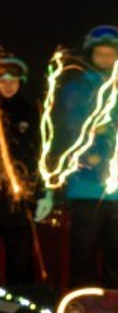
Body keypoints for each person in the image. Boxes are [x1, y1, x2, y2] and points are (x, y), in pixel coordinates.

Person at [47, 24, 118, 290]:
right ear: (91, 54)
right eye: (100, 54)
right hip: (85, 187)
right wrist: (88, 155)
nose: (105, 59)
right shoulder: (76, 89)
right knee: (83, 252)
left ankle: (116, 304)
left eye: (110, 54)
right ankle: (84, 305)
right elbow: (66, 130)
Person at [0, 52, 52, 296]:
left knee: (20, 257)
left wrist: (45, 193)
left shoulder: (31, 112)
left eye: (13, 79)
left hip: (20, 200)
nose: (8, 84)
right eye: (2, 79)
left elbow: (41, 156)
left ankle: (20, 308)